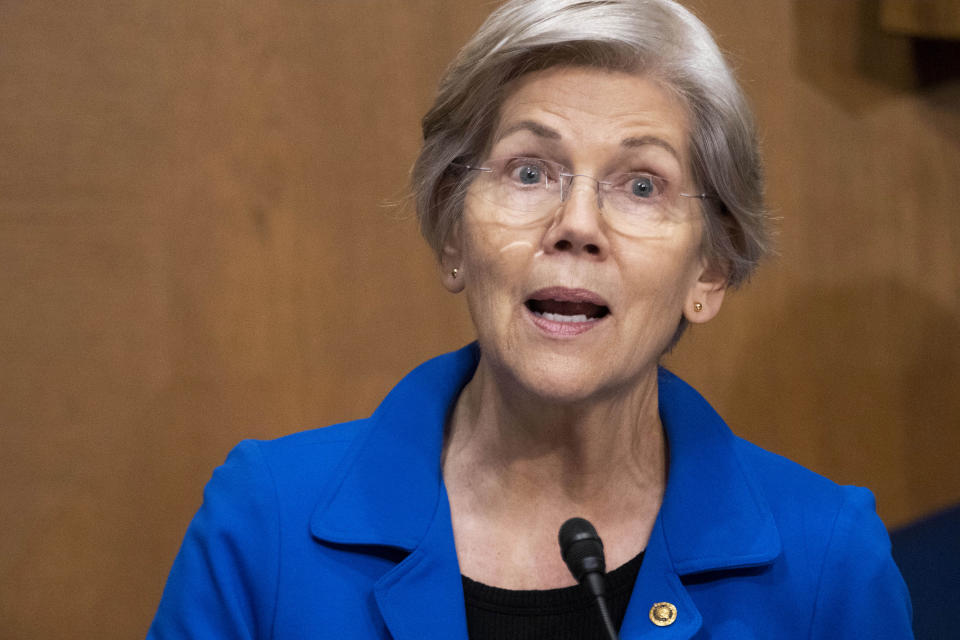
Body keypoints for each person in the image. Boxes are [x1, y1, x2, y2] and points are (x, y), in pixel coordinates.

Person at [147, 0, 913, 638]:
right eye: (529, 171)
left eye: (642, 185)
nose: (576, 223)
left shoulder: (826, 564)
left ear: (708, 271)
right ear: (452, 230)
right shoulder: (265, 525)